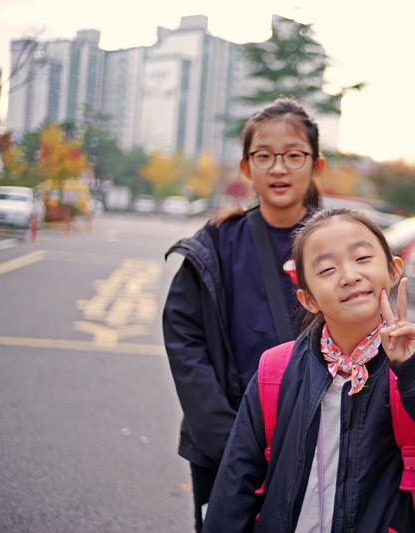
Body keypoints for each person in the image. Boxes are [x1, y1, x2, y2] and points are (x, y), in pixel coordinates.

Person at [202, 208, 415, 533]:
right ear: (308, 299)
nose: (349, 276)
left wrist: (413, 371)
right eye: (327, 269)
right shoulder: (276, 371)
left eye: (362, 258)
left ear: (393, 271)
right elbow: (234, 487)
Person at [163, 98, 326, 533]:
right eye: (264, 156)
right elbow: (184, 338)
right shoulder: (218, 240)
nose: (278, 168)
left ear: (316, 164)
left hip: (319, 445)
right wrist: (227, 440)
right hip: (225, 444)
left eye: (293, 155)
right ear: (246, 167)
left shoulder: (337, 243)